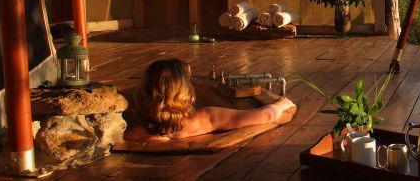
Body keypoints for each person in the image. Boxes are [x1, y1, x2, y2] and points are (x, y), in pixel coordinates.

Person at [124, 58, 296, 142]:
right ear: (185, 92)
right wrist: (282, 103)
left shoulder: (133, 132)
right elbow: (266, 116)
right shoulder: (205, 118)